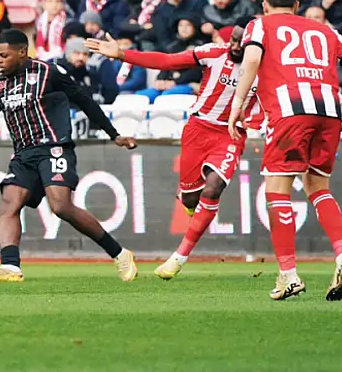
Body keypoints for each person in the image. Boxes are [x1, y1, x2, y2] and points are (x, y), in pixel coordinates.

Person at [228, 0, 342, 301]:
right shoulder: (324, 29)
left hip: (289, 110)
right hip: (329, 111)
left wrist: (237, 106)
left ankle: (289, 275)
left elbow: (252, 60)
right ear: (296, 5)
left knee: (277, 191)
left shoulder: (259, 25)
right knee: (318, 188)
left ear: (264, 4)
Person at [0, 29, 139, 283]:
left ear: (22, 53)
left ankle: (120, 254)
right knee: (9, 204)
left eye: (4, 55)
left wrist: (114, 134)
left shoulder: (48, 72)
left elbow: (84, 100)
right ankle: (10, 266)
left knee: (61, 206)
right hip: (23, 154)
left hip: (54, 147)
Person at [86, 26, 263, 279]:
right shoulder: (213, 53)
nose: (235, 46)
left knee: (213, 188)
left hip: (229, 134)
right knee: (191, 199)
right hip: (198, 129)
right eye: (232, 41)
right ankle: (193, 207)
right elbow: (167, 61)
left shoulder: (265, 70)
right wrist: (124, 54)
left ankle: (178, 257)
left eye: (240, 43)